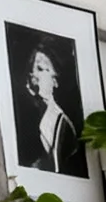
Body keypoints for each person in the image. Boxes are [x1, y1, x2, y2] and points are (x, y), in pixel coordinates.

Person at [23, 46, 81, 174]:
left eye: (41, 69)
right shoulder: (28, 120)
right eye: (32, 69)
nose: (34, 75)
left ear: (55, 81)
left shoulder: (62, 124)